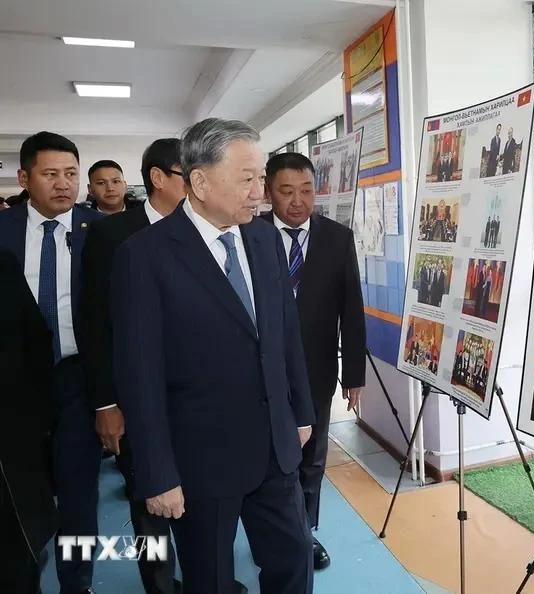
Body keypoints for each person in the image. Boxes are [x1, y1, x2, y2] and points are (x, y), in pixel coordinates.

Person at [110, 118, 315, 594]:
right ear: (199, 181)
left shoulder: (264, 239)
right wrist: (157, 472)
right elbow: (139, 374)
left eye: (261, 177)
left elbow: (286, 336)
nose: (260, 192)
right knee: (210, 580)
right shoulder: (144, 257)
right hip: (200, 459)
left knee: (293, 562)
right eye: (247, 178)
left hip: (275, 448)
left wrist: (301, 412)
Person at [81, 139, 234, 594]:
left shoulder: (212, 228)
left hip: (203, 402)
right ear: (158, 178)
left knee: (206, 498)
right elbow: (94, 323)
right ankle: (161, 585)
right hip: (139, 397)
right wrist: (107, 402)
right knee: (149, 498)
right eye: (187, 173)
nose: (196, 183)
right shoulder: (113, 236)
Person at [0, 131, 104, 594]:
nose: (64, 184)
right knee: (21, 496)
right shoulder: (2, 233)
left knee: (80, 496)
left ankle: (76, 585)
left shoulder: (97, 232)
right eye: (50, 174)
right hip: (14, 388)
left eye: (71, 174)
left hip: (78, 381)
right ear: (25, 177)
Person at [261, 152, 366, 570]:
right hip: (263, 371)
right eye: (286, 191)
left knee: (312, 457)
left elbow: (351, 311)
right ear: (269, 191)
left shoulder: (337, 238)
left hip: (317, 370)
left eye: (306, 190)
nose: (297, 201)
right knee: (270, 456)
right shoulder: (250, 236)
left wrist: (354, 375)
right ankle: (274, 531)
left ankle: (306, 534)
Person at [0, 249, 58, 594]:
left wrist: (37, 419)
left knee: (16, 554)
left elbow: (34, 338)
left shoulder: (2, 263)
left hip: (11, 438)